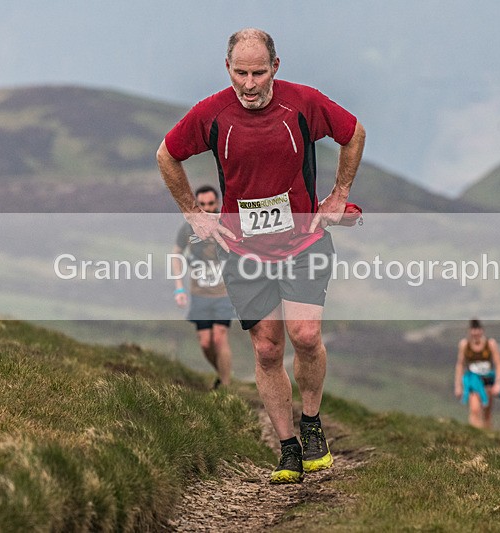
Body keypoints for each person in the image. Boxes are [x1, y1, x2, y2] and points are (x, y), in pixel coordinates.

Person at [156, 28, 366, 484]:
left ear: (275, 67)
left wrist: (339, 195)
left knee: (305, 335)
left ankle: (312, 423)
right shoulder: (213, 113)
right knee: (268, 348)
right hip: (244, 251)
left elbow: (353, 134)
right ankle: (288, 449)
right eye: (240, 73)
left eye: (258, 73)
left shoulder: (303, 104)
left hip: (304, 242)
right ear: (227, 68)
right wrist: (193, 214)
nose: (249, 85)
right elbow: (167, 155)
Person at [170, 185, 235, 389]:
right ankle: (221, 373)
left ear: (218, 203)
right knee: (206, 343)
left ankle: (225, 387)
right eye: (203, 204)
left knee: (219, 337)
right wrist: (179, 288)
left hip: (224, 293)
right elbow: (176, 254)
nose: (207, 208)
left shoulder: (228, 225)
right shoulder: (188, 228)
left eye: (211, 204)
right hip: (199, 294)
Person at [454, 318, 500, 429]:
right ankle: (474, 432)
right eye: (473, 330)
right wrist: (458, 385)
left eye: (477, 330)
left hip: (487, 381)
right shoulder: (464, 345)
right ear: (469, 331)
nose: (475, 333)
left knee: (487, 412)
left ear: (482, 330)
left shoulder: (490, 344)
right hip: (473, 381)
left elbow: (499, 364)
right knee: (475, 409)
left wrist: (498, 383)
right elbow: (460, 364)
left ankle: (486, 434)